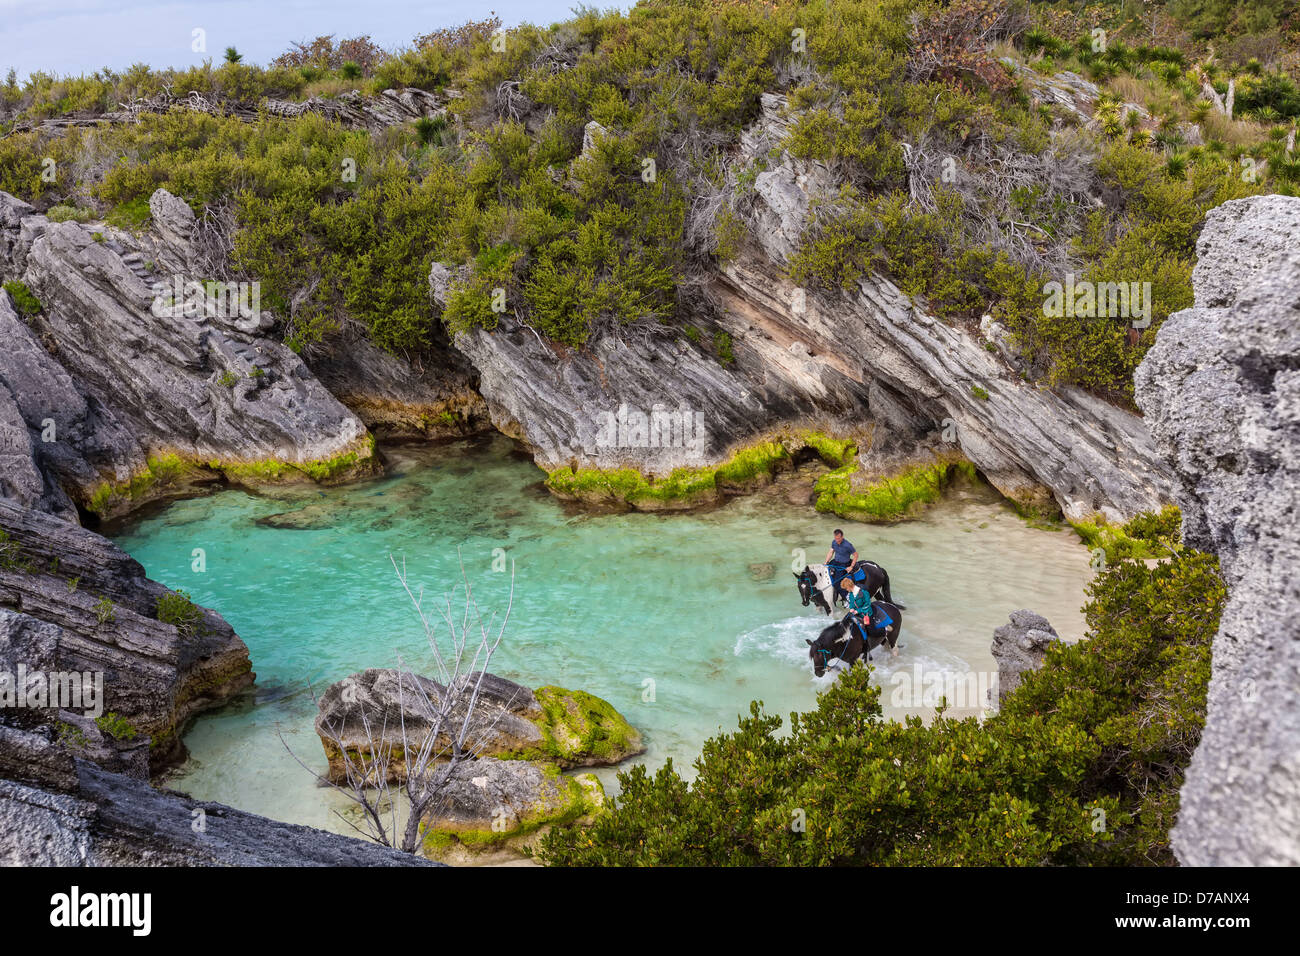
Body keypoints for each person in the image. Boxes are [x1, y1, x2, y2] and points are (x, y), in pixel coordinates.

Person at [825, 529, 858, 597]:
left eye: (838, 538)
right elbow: (831, 552)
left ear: (842, 537)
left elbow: (856, 555)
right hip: (835, 562)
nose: (837, 540)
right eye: (835, 538)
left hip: (844, 564)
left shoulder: (847, 545)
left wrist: (851, 567)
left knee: (837, 583)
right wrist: (826, 562)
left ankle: (847, 597)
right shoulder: (834, 542)